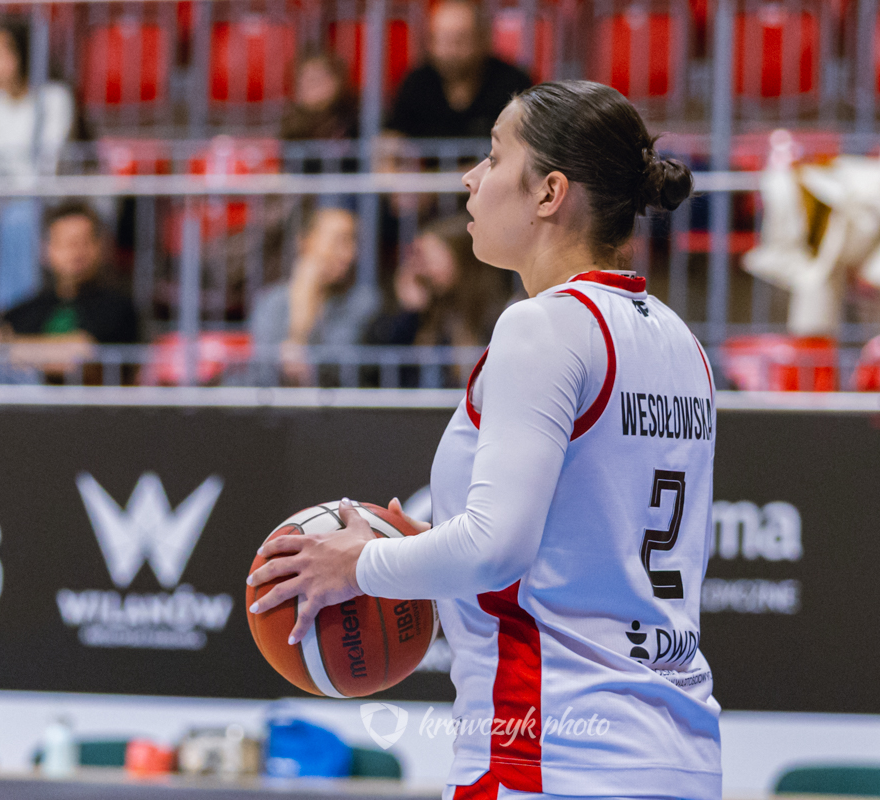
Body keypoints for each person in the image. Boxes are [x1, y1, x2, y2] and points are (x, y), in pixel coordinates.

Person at [248, 81, 717, 800]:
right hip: (678, 753)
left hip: (549, 754)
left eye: (495, 157)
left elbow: (498, 548)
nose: (471, 178)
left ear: (549, 192)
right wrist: (430, 548)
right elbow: (586, 545)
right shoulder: (681, 341)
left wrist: (359, 564)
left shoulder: (543, 326)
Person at [0, 17, 74, 318]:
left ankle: (14, 320)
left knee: (18, 218)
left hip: (41, 205)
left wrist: (7, 190)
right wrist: (0, 191)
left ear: (24, 53)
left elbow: (46, 168)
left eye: (0, 53)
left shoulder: (54, 98)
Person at [0, 200, 138, 381]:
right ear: (46, 249)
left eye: (85, 241)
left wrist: (6, 348)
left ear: (100, 246)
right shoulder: (32, 307)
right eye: (66, 242)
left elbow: (80, 357)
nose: (77, 251)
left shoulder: (118, 307)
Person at [366, 213, 512, 387]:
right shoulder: (424, 313)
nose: (418, 269)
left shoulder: (497, 315)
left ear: (459, 259)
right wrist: (409, 313)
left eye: (426, 258)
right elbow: (385, 373)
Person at [249, 207, 378, 385]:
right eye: (340, 241)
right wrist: (303, 299)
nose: (350, 253)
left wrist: (302, 325)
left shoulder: (363, 301)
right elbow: (264, 370)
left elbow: (340, 367)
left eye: (353, 242)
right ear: (305, 242)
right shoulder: (272, 301)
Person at [386, 0, 531, 139]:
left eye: (460, 39)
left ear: (483, 39)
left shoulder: (512, 84)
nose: (450, 50)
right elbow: (392, 137)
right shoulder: (416, 84)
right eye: (441, 40)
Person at [280, 50, 358, 141]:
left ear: (337, 81)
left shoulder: (356, 120)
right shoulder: (290, 125)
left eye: (317, 78)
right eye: (303, 80)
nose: (310, 85)